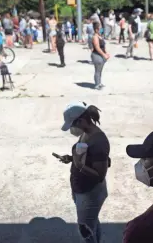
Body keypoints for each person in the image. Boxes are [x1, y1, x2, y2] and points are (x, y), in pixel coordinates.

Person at [59, 101, 110, 243]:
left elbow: (100, 175)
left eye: (73, 125)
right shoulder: (86, 133)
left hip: (90, 193)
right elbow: (86, 158)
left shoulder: (99, 141)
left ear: (81, 120)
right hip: (81, 190)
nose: (72, 129)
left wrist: (79, 166)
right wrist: (70, 158)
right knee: (91, 223)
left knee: (85, 230)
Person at [91, 22, 110, 90]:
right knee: (97, 71)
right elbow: (97, 48)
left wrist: (106, 53)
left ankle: (99, 83)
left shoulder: (100, 36)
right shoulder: (95, 37)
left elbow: (103, 46)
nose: (101, 29)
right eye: (100, 28)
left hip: (101, 55)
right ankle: (97, 84)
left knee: (100, 71)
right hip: (97, 55)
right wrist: (104, 54)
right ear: (96, 29)